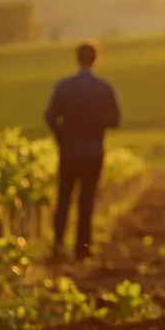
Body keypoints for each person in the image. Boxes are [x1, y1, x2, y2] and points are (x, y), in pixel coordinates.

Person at [45, 41, 121, 260]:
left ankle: (58, 245)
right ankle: (83, 248)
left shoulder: (64, 87)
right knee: (86, 202)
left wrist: (62, 136)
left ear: (77, 59)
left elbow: (50, 117)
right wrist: (98, 125)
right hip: (93, 153)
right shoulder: (104, 88)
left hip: (68, 152)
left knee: (64, 199)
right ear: (96, 59)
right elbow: (115, 121)